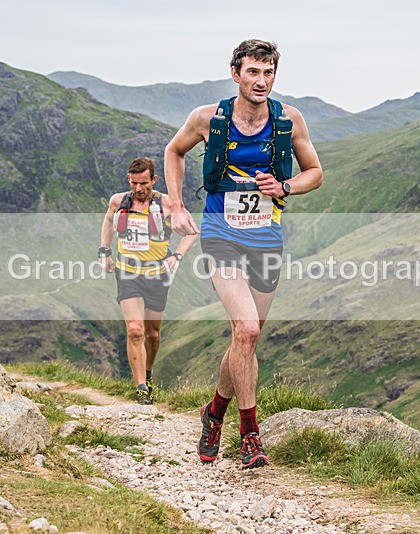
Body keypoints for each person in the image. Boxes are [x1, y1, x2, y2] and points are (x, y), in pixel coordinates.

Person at [164, 40, 323, 468]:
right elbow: (174, 151)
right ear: (236, 73)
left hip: (266, 238)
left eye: (268, 72)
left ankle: (214, 412)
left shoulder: (288, 120)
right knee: (247, 329)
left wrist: (285, 186)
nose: (261, 81)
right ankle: (250, 434)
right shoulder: (208, 119)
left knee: (246, 340)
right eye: (253, 72)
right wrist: (177, 205)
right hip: (221, 234)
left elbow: (315, 173)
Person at [99, 157, 197, 405]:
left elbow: (193, 232)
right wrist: (104, 251)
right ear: (128, 180)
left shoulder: (166, 204)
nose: (139, 189)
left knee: (152, 334)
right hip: (127, 273)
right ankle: (141, 387)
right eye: (134, 183)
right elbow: (109, 220)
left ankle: (149, 372)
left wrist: (177, 255)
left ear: (154, 180)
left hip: (157, 275)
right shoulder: (118, 201)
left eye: (144, 183)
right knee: (135, 330)